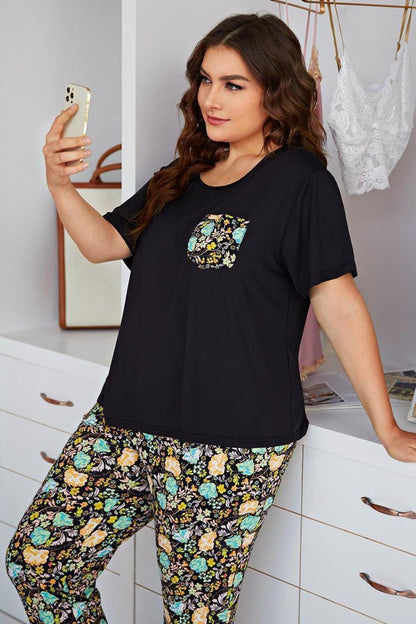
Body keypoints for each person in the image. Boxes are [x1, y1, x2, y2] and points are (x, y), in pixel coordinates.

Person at [6, 12, 416, 624]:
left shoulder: (301, 182)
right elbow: (102, 244)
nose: (210, 98)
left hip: (226, 441)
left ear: (275, 91)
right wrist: (60, 184)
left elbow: (338, 302)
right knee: (40, 562)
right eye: (205, 79)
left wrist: (387, 428)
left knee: (193, 613)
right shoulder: (183, 175)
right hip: (127, 418)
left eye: (233, 84)